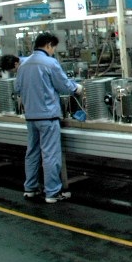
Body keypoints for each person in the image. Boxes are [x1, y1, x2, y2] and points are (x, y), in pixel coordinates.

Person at [14, 33, 83, 204]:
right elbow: (63, 85)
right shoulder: (50, 63)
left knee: (32, 153)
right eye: (54, 48)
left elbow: (17, 88)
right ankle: (52, 193)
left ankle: (30, 188)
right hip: (48, 117)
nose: (53, 52)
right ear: (49, 45)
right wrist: (77, 88)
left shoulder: (23, 65)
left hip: (30, 117)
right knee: (50, 154)